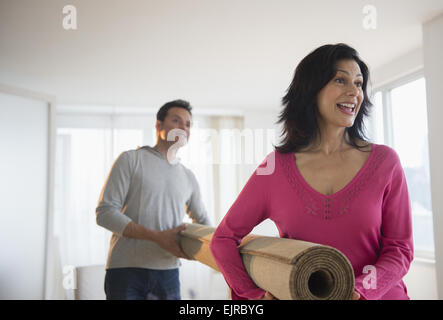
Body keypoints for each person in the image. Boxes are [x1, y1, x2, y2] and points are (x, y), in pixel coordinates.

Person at [209, 43, 414, 300]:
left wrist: (359, 291)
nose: (354, 92)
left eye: (359, 83)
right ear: (311, 90)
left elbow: (400, 248)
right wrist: (254, 295)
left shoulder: (386, 162)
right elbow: (224, 239)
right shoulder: (274, 168)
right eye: (341, 80)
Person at [96, 99, 211, 300]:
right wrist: (157, 237)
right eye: (176, 121)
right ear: (159, 125)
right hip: (125, 270)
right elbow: (105, 213)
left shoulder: (188, 176)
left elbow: (203, 222)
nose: (183, 128)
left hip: (168, 272)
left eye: (188, 124)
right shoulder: (131, 159)